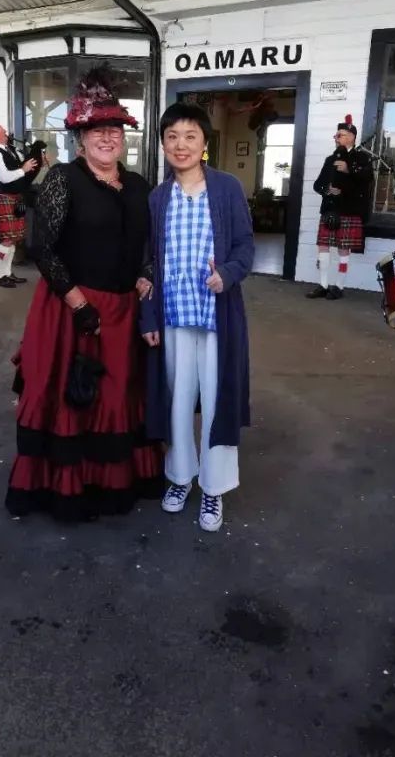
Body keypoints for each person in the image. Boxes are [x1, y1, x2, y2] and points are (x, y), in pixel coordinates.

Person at [6, 67, 162, 521]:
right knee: (73, 398)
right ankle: (69, 489)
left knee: (116, 397)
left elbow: (147, 241)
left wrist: (146, 271)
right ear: (80, 138)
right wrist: (78, 303)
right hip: (72, 308)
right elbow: (42, 247)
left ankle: (114, 483)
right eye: (97, 131)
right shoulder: (63, 180)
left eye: (114, 130)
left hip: (124, 309)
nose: (107, 138)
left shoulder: (137, 186)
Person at [141, 102, 254, 533]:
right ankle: (180, 477)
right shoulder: (158, 197)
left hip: (216, 315)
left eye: (190, 136)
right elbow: (148, 265)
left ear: (205, 143)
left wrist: (226, 274)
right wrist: (148, 317)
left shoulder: (226, 188)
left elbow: (245, 246)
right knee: (177, 400)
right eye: (172, 137)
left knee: (217, 399)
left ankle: (214, 486)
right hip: (173, 315)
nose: (180, 145)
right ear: (163, 144)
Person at [306, 114, 373, 300]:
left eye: (340, 135)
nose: (336, 138)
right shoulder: (330, 159)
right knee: (323, 247)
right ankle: (323, 285)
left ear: (351, 137)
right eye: (336, 136)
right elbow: (317, 184)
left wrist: (348, 170)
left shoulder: (361, 159)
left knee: (344, 249)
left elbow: (367, 182)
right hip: (329, 209)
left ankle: (339, 286)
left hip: (349, 210)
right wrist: (327, 190)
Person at [0, 114, 36, 288]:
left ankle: (8, 273)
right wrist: (23, 169)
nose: (6, 131)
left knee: (13, 238)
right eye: (2, 130)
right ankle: (1, 275)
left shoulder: (10, 149)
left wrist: (36, 164)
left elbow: (22, 167)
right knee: (6, 238)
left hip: (16, 196)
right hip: (5, 196)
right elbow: (4, 177)